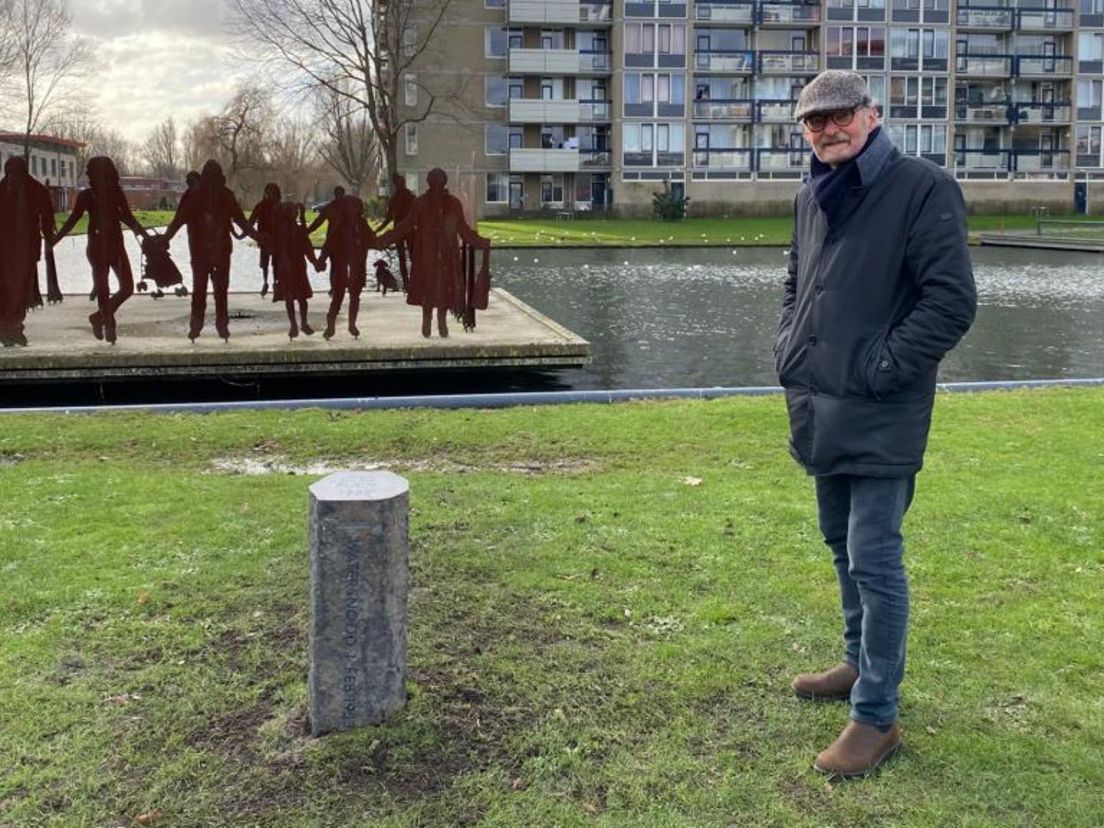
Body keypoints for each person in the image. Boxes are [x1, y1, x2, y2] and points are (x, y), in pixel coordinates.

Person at [775, 71, 976, 778]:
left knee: (874, 556)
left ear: (872, 116)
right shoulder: (809, 192)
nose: (827, 130)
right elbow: (798, 283)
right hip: (818, 402)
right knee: (839, 543)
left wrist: (881, 367)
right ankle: (858, 665)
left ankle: (877, 715)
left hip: (883, 408)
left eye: (840, 117)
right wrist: (789, 347)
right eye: (813, 121)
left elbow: (951, 303)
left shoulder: (922, 187)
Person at [376, 168, 489, 339]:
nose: (436, 185)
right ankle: (427, 320)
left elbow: (463, 230)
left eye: (438, 181)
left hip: (446, 255)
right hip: (427, 254)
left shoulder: (452, 203)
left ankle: (440, 321)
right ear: (430, 182)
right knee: (428, 286)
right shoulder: (421, 203)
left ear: (443, 182)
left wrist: (481, 241)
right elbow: (406, 225)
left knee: (443, 286)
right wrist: (384, 239)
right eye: (433, 181)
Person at [55, 156, 152, 344]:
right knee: (103, 288)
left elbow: (128, 217)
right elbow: (73, 219)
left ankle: (99, 318)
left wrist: (147, 237)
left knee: (127, 287)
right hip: (97, 247)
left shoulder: (116, 194)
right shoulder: (86, 196)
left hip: (116, 245)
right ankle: (109, 325)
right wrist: (56, 239)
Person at [157, 159, 255, 341]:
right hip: (215, 251)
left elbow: (178, 221)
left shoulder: (197, 195)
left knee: (203, 289)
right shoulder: (223, 195)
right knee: (216, 290)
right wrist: (258, 237)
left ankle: (201, 326)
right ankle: (216, 325)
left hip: (207, 252)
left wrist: (166, 238)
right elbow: (242, 221)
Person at [0, 157, 56, 347]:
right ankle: (10, 327)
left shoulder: (34, 189)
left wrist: (49, 236)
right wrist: (49, 236)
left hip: (24, 250)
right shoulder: (33, 189)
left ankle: (12, 327)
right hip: (7, 250)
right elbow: (47, 216)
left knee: (20, 289)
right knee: (10, 289)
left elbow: (47, 216)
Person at [321, 194, 374, 339]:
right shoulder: (340, 224)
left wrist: (384, 240)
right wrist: (321, 259)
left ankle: (352, 324)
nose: (358, 209)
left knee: (355, 297)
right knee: (338, 296)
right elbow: (329, 243)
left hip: (357, 265)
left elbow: (373, 239)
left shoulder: (361, 223)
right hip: (342, 265)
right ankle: (331, 325)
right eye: (355, 206)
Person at [271, 201, 320, 339]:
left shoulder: (283, 230)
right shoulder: (293, 230)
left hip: (289, 267)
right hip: (293, 266)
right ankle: (300, 323)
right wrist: (315, 262)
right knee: (299, 297)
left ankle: (296, 324)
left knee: (292, 297)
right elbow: (308, 248)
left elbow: (306, 246)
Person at [376, 174, 415, 292]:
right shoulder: (404, 198)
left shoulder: (400, 198)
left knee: (406, 257)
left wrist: (378, 229)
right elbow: (389, 218)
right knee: (407, 257)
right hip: (405, 231)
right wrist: (378, 229)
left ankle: (409, 283)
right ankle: (408, 283)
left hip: (405, 230)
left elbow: (389, 218)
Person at [246, 183, 282, 299]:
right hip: (267, 238)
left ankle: (274, 284)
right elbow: (251, 222)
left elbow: (250, 222)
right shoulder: (269, 206)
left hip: (272, 238)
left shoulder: (264, 206)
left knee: (274, 263)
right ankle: (268, 283)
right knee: (267, 263)